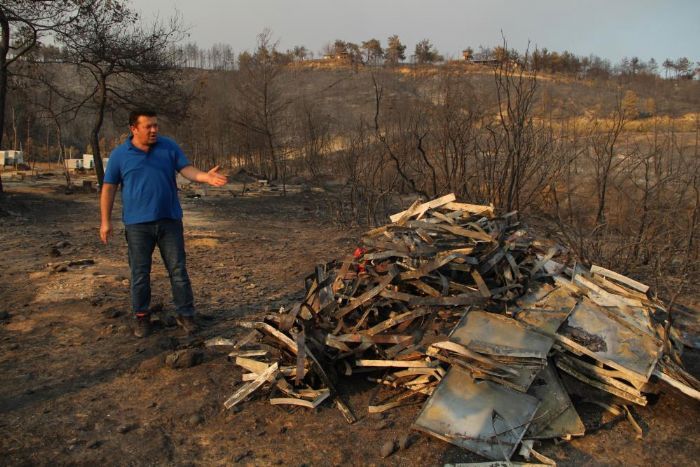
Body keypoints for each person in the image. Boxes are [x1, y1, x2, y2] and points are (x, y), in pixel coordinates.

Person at [100, 109, 227, 337]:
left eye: (156, 125)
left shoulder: (168, 146)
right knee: (140, 273)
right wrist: (105, 222)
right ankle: (142, 317)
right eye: (148, 126)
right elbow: (108, 188)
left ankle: (185, 314)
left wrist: (205, 177)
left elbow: (186, 169)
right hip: (137, 226)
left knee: (178, 270)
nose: (154, 130)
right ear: (134, 129)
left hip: (169, 221)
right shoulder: (120, 155)